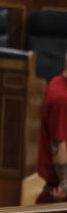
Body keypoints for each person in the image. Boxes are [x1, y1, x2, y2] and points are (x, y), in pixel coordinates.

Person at [37, 52, 67, 203]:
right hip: (58, 194)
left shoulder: (56, 81)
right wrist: (65, 186)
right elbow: (58, 144)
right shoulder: (62, 99)